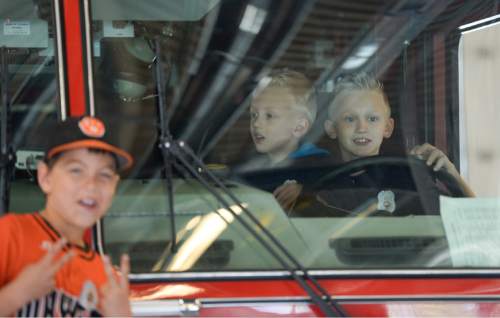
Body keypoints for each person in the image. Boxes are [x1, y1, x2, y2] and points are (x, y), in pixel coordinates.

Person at [0, 116, 133, 316]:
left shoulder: (107, 280)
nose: (91, 185)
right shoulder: (10, 234)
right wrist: (17, 294)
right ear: (45, 177)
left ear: (115, 185)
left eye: (104, 175)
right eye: (76, 171)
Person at [294, 73, 473, 216]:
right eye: (349, 118)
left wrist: (451, 174)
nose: (362, 128)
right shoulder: (317, 180)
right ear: (332, 128)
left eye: (372, 119)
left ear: (387, 127)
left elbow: (474, 222)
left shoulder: (410, 175)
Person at [245, 69, 329, 210]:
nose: (257, 123)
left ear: (299, 127)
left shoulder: (320, 166)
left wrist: (305, 192)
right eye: (254, 114)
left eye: (269, 116)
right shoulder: (250, 165)